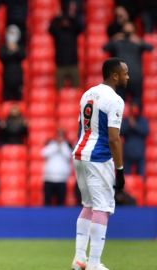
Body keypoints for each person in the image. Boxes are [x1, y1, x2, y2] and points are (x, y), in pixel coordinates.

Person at [71, 58, 128, 270]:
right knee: (102, 208)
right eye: (125, 73)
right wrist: (120, 170)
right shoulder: (115, 100)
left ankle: (79, 259)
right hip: (98, 157)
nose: (127, 77)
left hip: (79, 153)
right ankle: (94, 264)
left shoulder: (87, 93)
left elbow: (81, 127)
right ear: (115, 75)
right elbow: (114, 138)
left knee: (88, 205)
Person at [103, 22, 153, 105]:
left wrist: (139, 40)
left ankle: (136, 117)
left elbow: (150, 48)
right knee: (119, 103)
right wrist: (114, 38)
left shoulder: (137, 42)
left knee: (137, 104)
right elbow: (105, 48)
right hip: (121, 77)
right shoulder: (118, 42)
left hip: (135, 77)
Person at [49, 0, 83, 89]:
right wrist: (57, 17)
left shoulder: (73, 31)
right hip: (60, 64)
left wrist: (73, 16)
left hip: (73, 64)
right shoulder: (58, 32)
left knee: (77, 90)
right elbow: (50, 29)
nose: (65, 22)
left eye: (67, 20)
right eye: (63, 20)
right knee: (59, 91)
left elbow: (81, 26)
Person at [41, 129, 72, 206]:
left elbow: (69, 156)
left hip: (62, 179)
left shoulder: (67, 145)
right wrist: (55, 147)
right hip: (48, 178)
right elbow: (43, 153)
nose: (59, 138)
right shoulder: (51, 144)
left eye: (61, 136)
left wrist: (61, 147)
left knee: (60, 203)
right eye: (58, 136)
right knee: (47, 202)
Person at [121, 103, 149, 176]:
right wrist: (129, 125)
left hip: (139, 153)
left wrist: (134, 126)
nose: (134, 111)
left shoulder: (143, 120)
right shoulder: (126, 120)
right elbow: (120, 132)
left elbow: (145, 131)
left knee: (141, 177)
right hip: (127, 153)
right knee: (126, 177)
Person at [0, 25, 25, 100]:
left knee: (18, 101)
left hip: (18, 78)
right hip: (7, 78)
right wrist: (9, 50)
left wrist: (16, 49)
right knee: (7, 101)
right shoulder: (4, 48)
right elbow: (1, 56)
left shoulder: (20, 47)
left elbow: (23, 56)